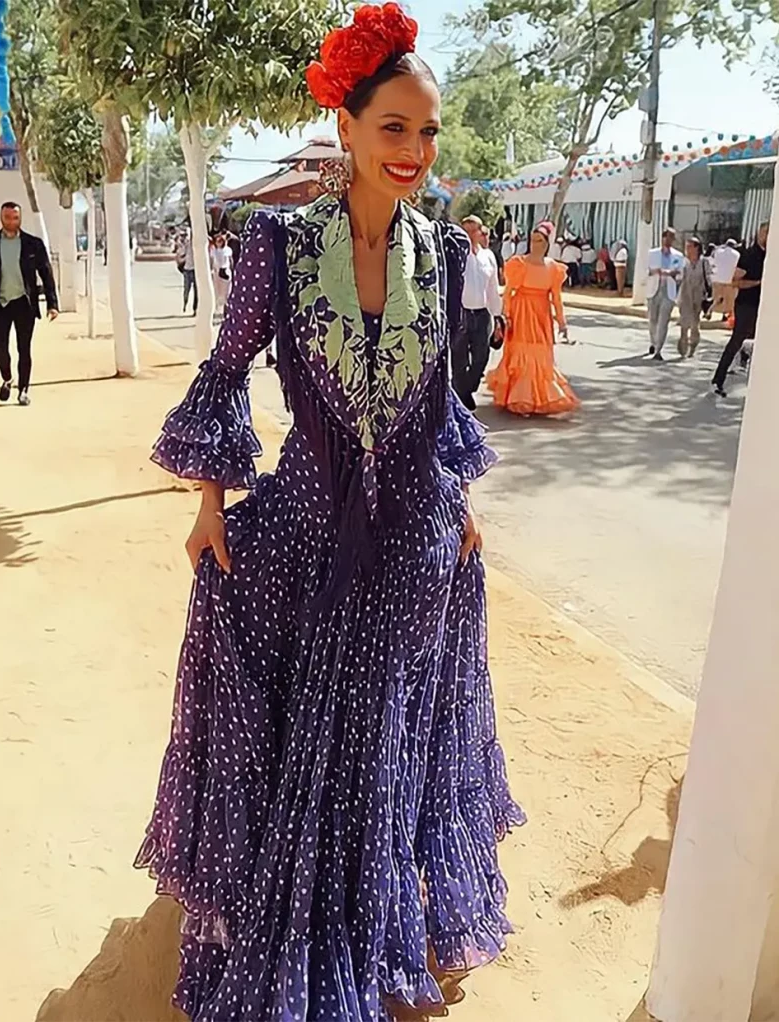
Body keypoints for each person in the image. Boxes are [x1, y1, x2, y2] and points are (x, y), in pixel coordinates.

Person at [134, 6, 524, 1020]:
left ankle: (380, 930)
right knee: (299, 730)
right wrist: (210, 503)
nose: (413, 151)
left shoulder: (437, 253)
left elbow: (436, 396)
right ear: (345, 129)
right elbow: (224, 374)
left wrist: (459, 494)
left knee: (384, 737)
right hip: (300, 526)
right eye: (393, 127)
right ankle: (297, 932)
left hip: (410, 540)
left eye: (427, 131)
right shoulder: (277, 242)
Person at [487, 220, 580, 416]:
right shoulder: (519, 264)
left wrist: (561, 321)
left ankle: (539, 396)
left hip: (541, 314)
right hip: (522, 312)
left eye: (539, 240)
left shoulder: (554, 268)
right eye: (533, 240)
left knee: (540, 354)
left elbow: (556, 298)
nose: (535, 244)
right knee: (521, 352)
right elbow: (509, 292)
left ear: (547, 243)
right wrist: (507, 316)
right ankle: (519, 397)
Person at [0, 201, 59, 406]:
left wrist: (52, 303)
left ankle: (23, 390)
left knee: (24, 349)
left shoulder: (33, 243)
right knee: (1, 350)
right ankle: (7, 378)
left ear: (20, 218)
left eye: (15, 217)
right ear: (1, 218)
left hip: (25, 304)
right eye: (8, 217)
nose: (12, 221)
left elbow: (46, 273)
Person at [712, 221, 769, 396]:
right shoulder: (749, 255)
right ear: (760, 234)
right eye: (766, 233)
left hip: (764, 306)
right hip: (747, 304)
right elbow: (735, 282)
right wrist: (758, 283)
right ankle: (718, 380)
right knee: (736, 341)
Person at [453, 214, 504, 410]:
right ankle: (462, 397)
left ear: (481, 232)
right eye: (466, 230)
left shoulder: (488, 256)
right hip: (461, 313)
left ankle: (465, 389)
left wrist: (498, 316)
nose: (469, 234)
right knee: (459, 359)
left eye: (473, 230)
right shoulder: (455, 255)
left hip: (482, 314)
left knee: (481, 357)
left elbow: (493, 288)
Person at [646, 227, 684, 361]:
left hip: (669, 290)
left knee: (663, 321)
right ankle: (653, 342)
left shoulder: (678, 256)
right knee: (653, 319)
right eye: (667, 237)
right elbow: (646, 270)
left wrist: (672, 274)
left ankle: (658, 350)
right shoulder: (652, 253)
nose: (669, 240)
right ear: (662, 238)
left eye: (671, 238)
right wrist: (654, 272)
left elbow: (680, 274)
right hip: (653, 289)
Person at [677, 236, 710, 358]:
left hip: (698, 296)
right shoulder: (683, 262)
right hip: (685, 295)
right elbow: (679, 278)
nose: (687, 249)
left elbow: (709, 280)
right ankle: (683, 346)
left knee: (695, 324)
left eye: (690, 247)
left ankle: (693, 346)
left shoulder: (704, 262)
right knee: (684, 323)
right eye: (686, 247)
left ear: (697, 248)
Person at [709, 238, 740, 322]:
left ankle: (709, 311)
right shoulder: (737, 254)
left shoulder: (717, 252)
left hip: (717, 279)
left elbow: (712, 262)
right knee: (729, 300)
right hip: (729, 280)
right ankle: (725, 315)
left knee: (716, 298)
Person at [210, 232, 234, 317]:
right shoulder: (214, 250)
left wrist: (232, 269)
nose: (218, 243)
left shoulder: (228, 250)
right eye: (217, 241)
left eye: (220, 241)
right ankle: (216, 309)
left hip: (225, 271)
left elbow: (230, 261)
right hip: (217, 272)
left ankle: (226, 310)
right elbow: (212, 261)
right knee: (216, 291)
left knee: (226, 292)